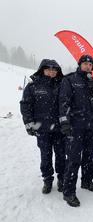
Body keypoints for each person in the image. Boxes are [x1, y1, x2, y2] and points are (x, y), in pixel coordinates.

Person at [59, 55, 93, 207]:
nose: (88, 66)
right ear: (80, 65)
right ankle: (68, 191)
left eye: (90, 64)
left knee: (89, 157)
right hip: (74, 127)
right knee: (73, 159)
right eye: (85, 63)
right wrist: (64, 122)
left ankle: (87, 182)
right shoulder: (69, 80)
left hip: (90, 126)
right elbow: (63, 102)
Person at [20, 59, 65, 194]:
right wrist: (29, 124)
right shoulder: (33, 86)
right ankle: (47, 180)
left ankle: (62, 179)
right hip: (42, 129)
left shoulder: (63, 85)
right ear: (42, 70)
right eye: (48, 69)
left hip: (59, 129)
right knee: (45, 156)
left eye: (54, 69)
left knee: (61, 156)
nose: (51, 72)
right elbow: (25, 105)